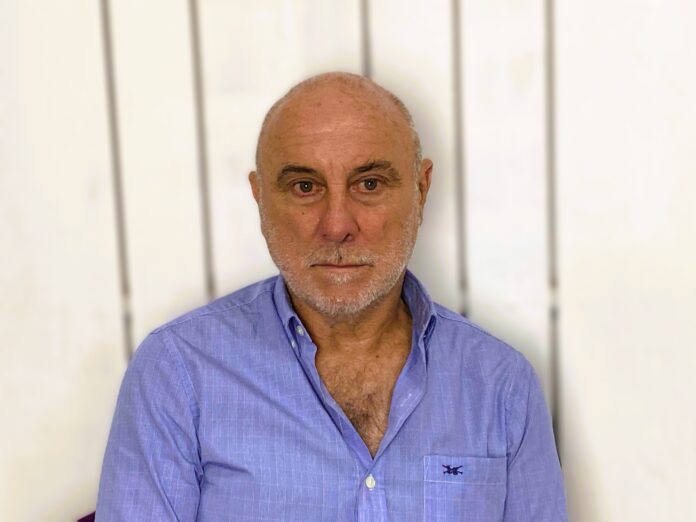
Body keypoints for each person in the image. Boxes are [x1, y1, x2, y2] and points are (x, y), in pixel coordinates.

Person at [96, 72, 567, 521]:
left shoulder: (501, 385)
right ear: (260, 198)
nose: (337, 225)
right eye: (305, 187)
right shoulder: (179, 372)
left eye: (369, 184)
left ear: (421, 190)